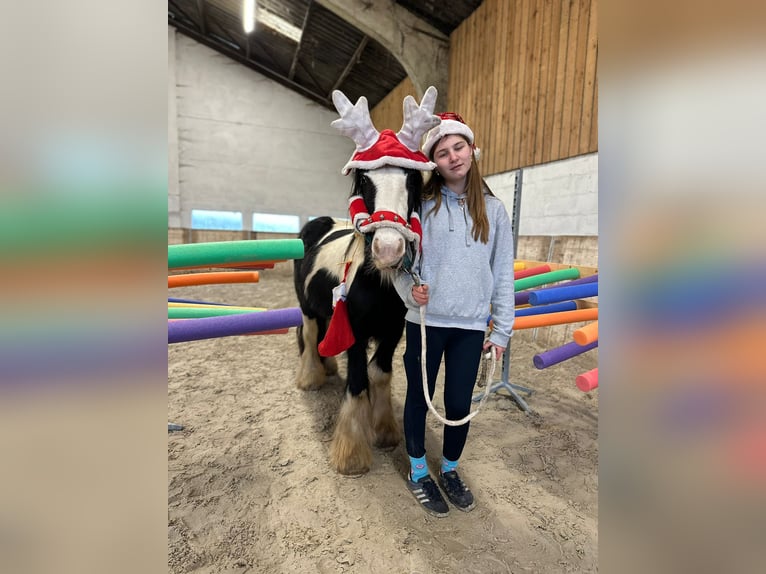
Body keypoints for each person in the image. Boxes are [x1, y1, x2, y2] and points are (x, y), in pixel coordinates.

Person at [394, 112, 516, 517]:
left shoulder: (495, 211)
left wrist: (501, 331)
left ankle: (448, 469)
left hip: (469, 327)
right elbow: (399, 263)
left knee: (459, 403)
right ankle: (416, 470)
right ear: (435, 161)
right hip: (426, 323)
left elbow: (502, 272)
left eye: (458, 147)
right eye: (442, 152)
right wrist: (410, 291)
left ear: (471, 149)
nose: (452, 157)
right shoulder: (420, 207)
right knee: (418, 396)